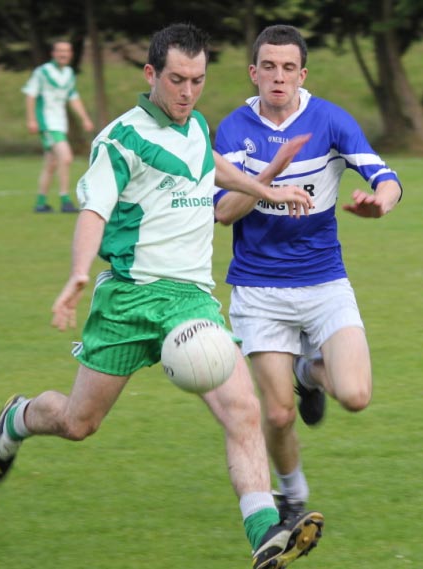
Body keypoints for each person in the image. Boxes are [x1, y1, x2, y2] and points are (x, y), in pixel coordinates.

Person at [0, 24, 323, 569]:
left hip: (190, 298)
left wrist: (265, 187)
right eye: (177, 80)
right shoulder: (120, 139)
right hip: (128, 300)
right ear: (151, 74)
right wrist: (75, 275)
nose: (188, 92)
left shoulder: (195, 126)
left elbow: (208, 164)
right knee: (78, 423)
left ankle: (264, 534)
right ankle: (18, 419)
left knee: (242, 407)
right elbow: (93, 211)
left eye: (198, 80)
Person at [213, 24, 403, 524]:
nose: (279, 77)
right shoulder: (233, 129)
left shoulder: (330, 121)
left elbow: (387, 178)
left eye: (288, 68)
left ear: (303, 74)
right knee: (277, 414)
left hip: (324, 283)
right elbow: (224, 212)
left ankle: (306, 371)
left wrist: (379, 204)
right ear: (253, 73)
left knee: (357, 395)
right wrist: (269, 174)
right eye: (269, 67)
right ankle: (292, 494)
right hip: (258, 287)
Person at [22, 40, 94, 213]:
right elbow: (30, 95)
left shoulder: (69, 73)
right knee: (66, 157)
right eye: (60, 51)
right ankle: (65, 200)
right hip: (47, 123)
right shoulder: (42, 72)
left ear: (71, 54)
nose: (64, 54)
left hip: (60, 124)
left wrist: (85, 118)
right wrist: (31, 120)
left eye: (67, 51)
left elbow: (73, 98)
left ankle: (40, 203)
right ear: (53, 53)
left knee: (51, 163)